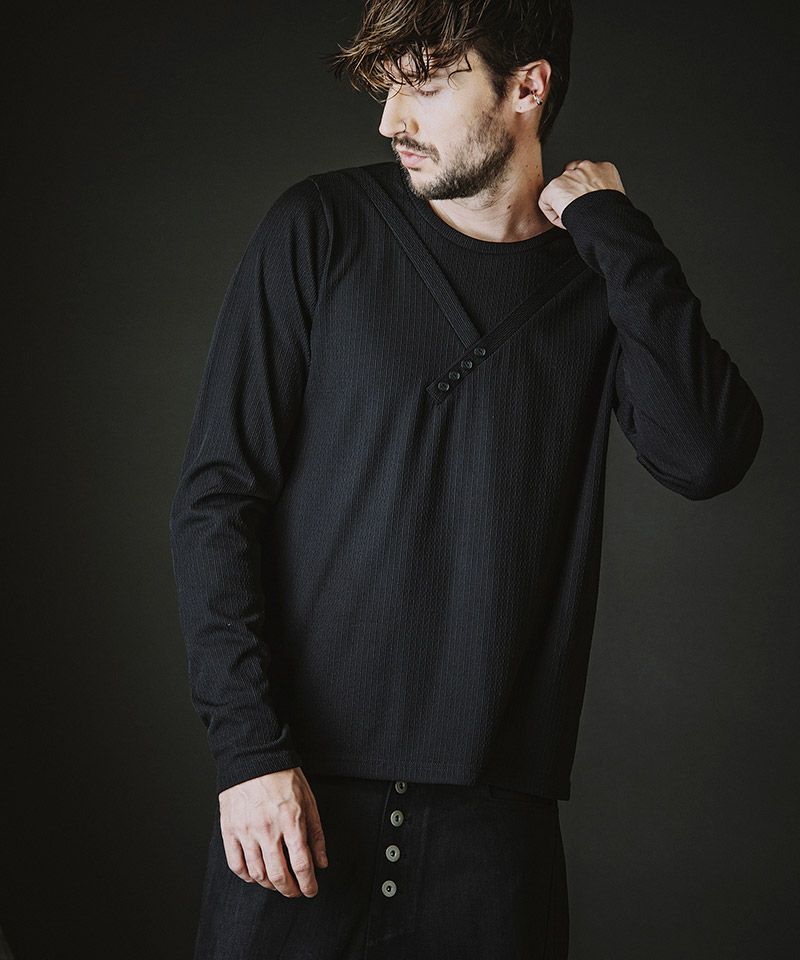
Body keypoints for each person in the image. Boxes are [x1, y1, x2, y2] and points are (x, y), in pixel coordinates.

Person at [168, 2, 764, 957]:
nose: (390, 120)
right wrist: (249, 753)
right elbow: (218, 500)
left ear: (527, 88)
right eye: (388, 87)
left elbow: (707, 454)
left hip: (496, 832)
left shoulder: (599, 277)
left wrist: (614, 228)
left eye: (426, 87)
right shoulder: (321, 227)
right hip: (294, 802)